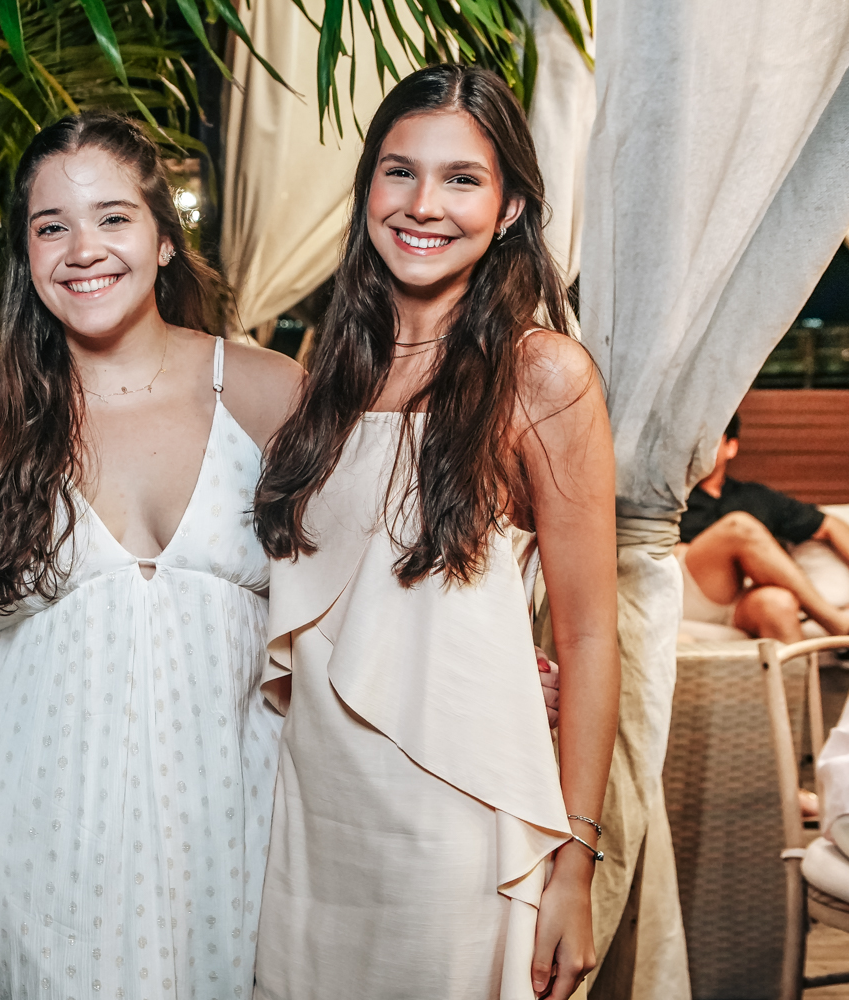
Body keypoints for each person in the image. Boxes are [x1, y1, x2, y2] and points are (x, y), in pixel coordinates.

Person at [250, 64, 620, 1000]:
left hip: (455, 820)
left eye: (462, 178)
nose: (424, 204)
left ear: (508, 208)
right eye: (400, 171)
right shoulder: (328, 378)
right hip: (314, 819)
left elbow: (588, 634)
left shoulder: (543, 375)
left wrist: (574, 868)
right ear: (368, 188)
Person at [0, 112, 304, 999]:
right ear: (26, 255)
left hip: (236, 838)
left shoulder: (267, 392)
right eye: (51, 226)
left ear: (164, 240)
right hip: (31, 849)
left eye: (113, 218)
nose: (83, 249)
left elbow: (346, 601)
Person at [676, 411, 849, 641]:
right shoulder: (669, 495)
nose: (698, 448)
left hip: (743, 599)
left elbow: (830, 525)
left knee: (778, 603)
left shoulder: (756, 496)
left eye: (708, 439)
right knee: (739, 526)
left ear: (731, 447)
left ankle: (797, 666)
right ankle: (839, 626)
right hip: (692, 590)